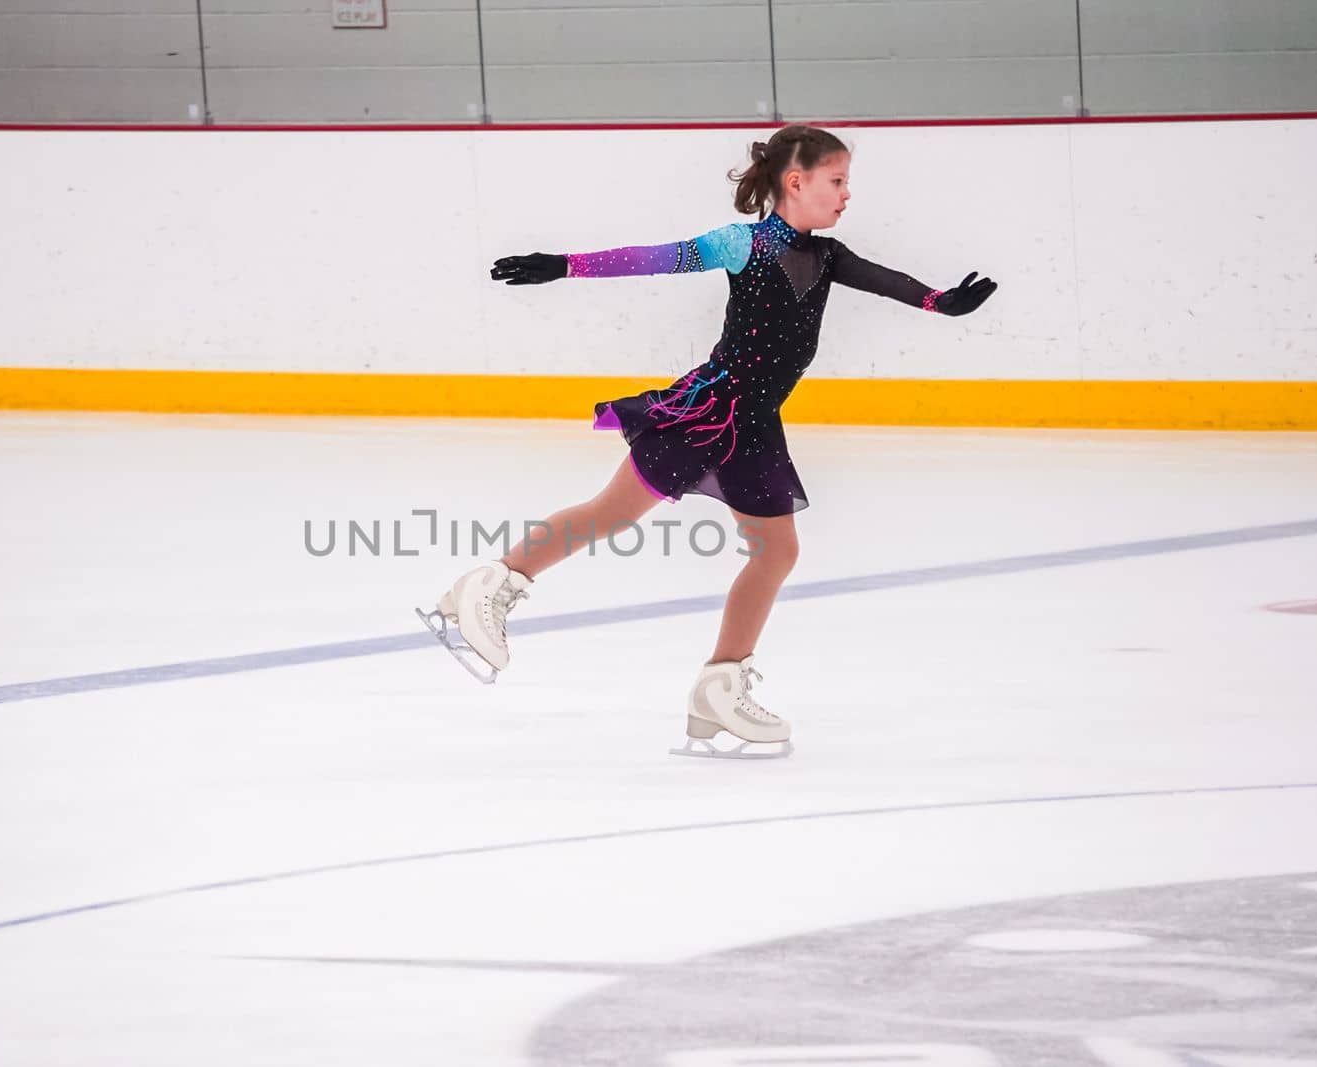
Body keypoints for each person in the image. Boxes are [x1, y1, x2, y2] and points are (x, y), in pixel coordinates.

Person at [418, 123, 997, 758]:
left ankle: (719, 687)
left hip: (754, 426)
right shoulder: (740, 245)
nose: (846, 194)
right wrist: (564, 266)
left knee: (776, 553)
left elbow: (890, 282)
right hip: (707, 411)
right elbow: (651, 257)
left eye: (847, 182)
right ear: (795, 182)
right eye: (837, 181)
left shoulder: (829, 257)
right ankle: (488, 586)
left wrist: (943, 302)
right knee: (610, 514)